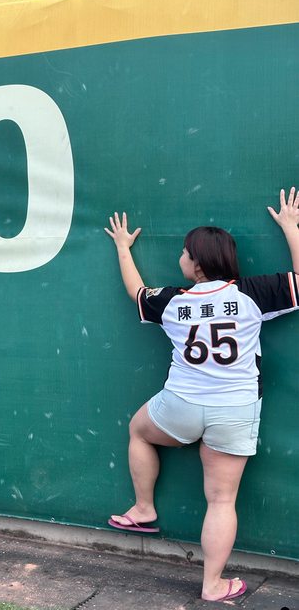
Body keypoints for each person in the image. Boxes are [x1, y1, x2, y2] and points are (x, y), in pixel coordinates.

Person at [104, 188, 299, 602]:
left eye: (184, 252)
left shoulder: (174, 301)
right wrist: (291, 227)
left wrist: (122, 247)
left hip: (181, 405)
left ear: (196, 264)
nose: (181, 256)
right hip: (235, 410)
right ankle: (212, 585)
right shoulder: (251, 293)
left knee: (138, 431)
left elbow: (137, 292)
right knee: (222, 500)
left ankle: (143, 509)